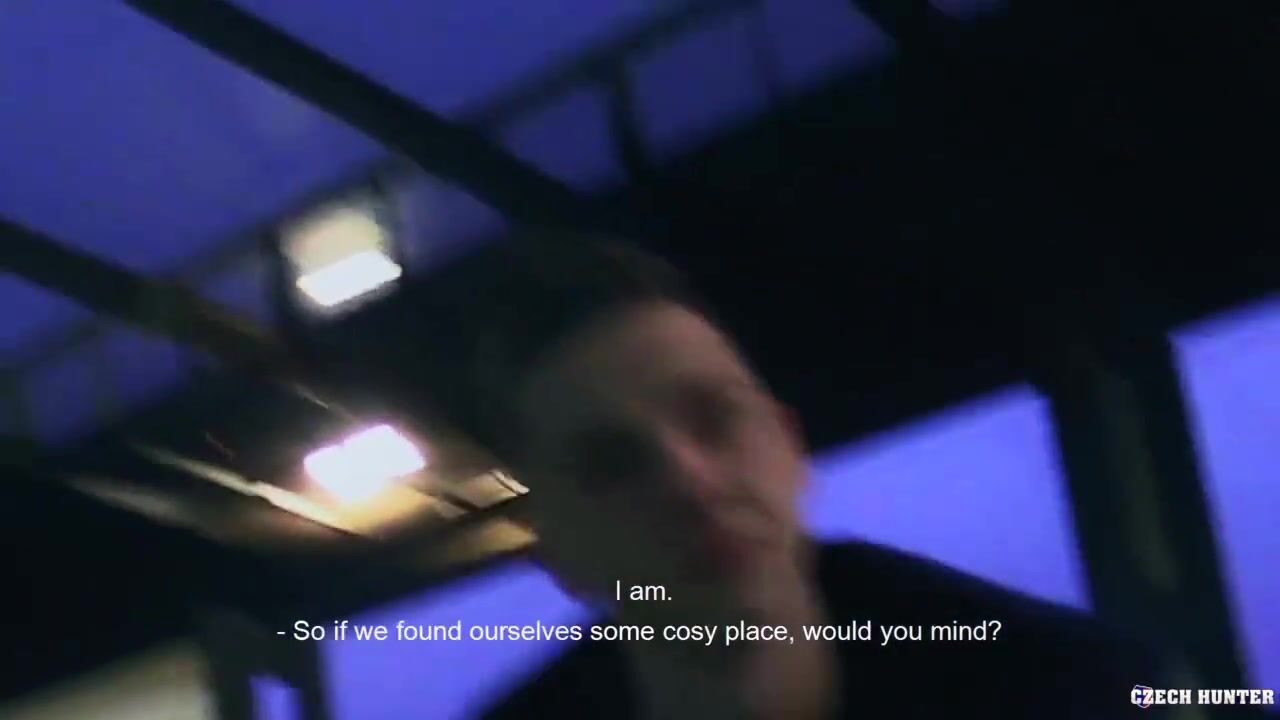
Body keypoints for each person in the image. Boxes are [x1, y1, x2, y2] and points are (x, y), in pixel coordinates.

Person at [403, 232, 1165, 719]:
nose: (690, 482)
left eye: (716, 418)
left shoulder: (1056, 687)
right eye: (610, 465)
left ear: (791, 449)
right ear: (557, 555)